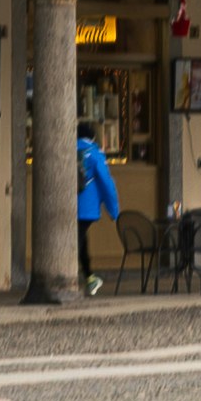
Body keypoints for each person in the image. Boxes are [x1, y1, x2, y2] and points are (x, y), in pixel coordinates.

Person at [75, 115, 118, 294]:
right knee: (77, 241)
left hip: (66, 205)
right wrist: (113, 210)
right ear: (92, 136)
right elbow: (107, 183)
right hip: (87, 206)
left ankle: (90, 277)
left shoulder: (67, 149)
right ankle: (79, 277)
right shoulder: (94, 153)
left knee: (81, 240)